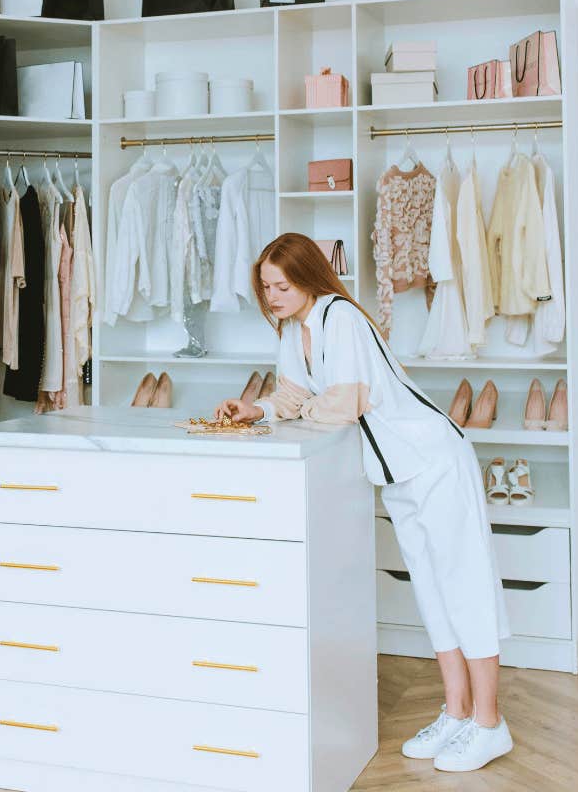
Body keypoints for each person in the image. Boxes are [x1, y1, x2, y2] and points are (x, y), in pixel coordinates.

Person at [214, 232, 513, 773]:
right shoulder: (293, 329)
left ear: (307, 277)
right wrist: (255, 409)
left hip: (434, 460)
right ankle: (457, 712)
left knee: (464, 586)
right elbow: (293, 395)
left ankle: (490, 724)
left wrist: (305, 410)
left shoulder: (339, 317)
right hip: (396, 472)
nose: (274, 296)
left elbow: (344, 402)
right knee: (431, 591)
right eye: (266, 287)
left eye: (282, 285)